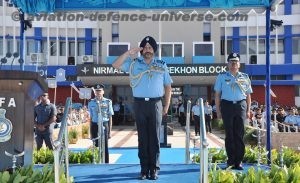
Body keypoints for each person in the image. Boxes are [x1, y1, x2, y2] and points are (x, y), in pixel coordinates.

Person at [112, 36, 172, 180]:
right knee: (143, 138)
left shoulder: (161, 65)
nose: (147, 50)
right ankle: (144, 169)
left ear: (154, 50)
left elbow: (168, 86)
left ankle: (154, 169)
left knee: (155, 138)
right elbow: (115, 64)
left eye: (150, 47)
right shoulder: (134, 64)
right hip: (139, 104)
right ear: (141, 50)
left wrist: (167, 105)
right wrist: (129, 53)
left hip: (155, 104)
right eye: (145, 48)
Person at [214, 52, 253, 170]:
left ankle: (239, 161)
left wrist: (248, 110)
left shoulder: (245, 77)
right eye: (231, 62)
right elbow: (217, 94)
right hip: (227, 105)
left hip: (241, 105)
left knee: (239, 134)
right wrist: (218, 111)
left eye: (236, 62)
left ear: (239, 64)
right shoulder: (221, 76)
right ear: (228, 64)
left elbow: (248, 96)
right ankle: (230, 161)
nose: (233, 64)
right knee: (229, 134)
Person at [88, 84, 114, 163]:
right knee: (96, 145)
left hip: (104, 124)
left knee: (105, 145)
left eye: (100, 91)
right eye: (96, 91)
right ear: (95, 93)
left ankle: (106, 162)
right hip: (95, 125)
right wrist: (90, 132)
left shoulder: (108, 102)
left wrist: (110, 132)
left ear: (103, 92)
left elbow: (110, 117)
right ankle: (97, 161)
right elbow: (91, 118)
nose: (98, 93)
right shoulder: (91, 103)